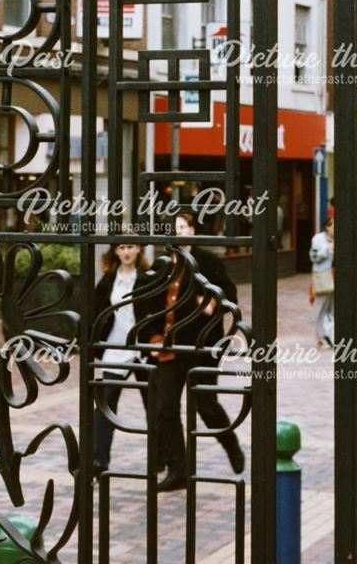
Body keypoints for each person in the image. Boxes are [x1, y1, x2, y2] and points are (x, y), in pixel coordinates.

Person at [151, 211, 245, 492]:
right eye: (174, 228)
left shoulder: (208, 261)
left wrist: (212, 301)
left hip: (201, 347)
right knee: (165, 409)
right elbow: (149, 301)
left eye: (183, 227)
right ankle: (178, 469)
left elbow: (228, 291)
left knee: (206, 406)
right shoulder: (164, 263)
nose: (179, 233)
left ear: (192, 230)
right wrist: (153, 336)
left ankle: (231, 444)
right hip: (169, 347)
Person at [92, 234, 152, 479]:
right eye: (122, 247)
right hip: (116, 348)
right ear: (115, 251)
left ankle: (161, 459)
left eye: (131, 247)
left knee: (155, 406)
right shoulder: (108, 281)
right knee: (105, 403)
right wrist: (95, 346)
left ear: (139, 250)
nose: (126, 252)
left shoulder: (149, 278)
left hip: (144, 349)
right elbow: (96, 313)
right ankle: (98, 460)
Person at [310, 217, 335, 347]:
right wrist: (325, 251)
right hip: (323, 276)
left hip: (336, 277)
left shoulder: (340, 238)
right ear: (327, 226)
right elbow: (313, 257)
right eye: (333, 225)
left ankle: (332, 335)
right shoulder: (318, 239)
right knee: (320, 308)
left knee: (334, 308)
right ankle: (321, 337)